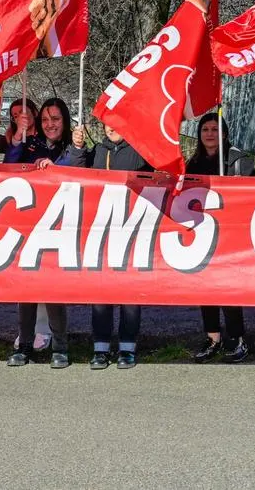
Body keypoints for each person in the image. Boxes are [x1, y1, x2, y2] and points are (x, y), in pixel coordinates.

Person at [6, 98, 87, 369]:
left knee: (54, 291)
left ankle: (60, 346)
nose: (50, 124)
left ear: (64, 120)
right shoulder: (32, 144)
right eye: (45, 120)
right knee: (26, 291)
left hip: (61, 228)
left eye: (56, 119)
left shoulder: (72, 147)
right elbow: (10, 164)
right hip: (30, 227)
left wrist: (74, 149)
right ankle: (25, 345)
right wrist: (18, 135)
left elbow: (77, 168)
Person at [78, 124, 151, 370]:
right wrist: (78, 148)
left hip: (133, 229)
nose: (111, 128)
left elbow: (160, 172)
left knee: (129, 293)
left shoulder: (141, 151)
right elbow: (77, 172)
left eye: (116, 121)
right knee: (102, 292)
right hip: (102, 231)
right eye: (107, 123)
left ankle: (127, 347)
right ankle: (100, 347)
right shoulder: (99, 150)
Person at [185, 112, 255, 363]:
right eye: (205, 130)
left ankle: (237, 338)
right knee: (206, 287)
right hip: (203, 234)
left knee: (229, 289)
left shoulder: (239, 161)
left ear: (224, 133)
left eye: (215, 129)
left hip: (232, 236)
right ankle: (213, 336)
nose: (210, 134)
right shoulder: (193, 163)